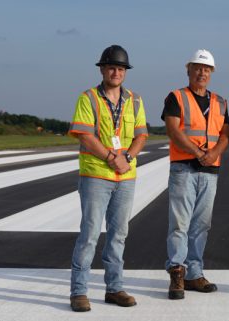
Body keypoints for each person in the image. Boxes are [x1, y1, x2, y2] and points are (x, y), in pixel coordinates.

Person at [66, 44, 148, 312]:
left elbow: (141, 135)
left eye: (121, 68)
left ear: (125, 72)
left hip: (126, 177)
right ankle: (79, 291)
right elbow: (86, 136)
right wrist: (114, 158)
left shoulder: (135, 100)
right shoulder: (88, 98)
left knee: (119, 234)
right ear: (102, 69)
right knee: (89, 233)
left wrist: (129, 158)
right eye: (111, 67)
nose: (116, 72)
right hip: (96, 174)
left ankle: (114, 288)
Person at [163, 49, 229, 300]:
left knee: (202, 224)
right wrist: (197, 152)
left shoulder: (220, 102)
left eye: (206, 69)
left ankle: (195, 273)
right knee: (179, 224)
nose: (202, 72)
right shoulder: (176, 97)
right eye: (197, 68)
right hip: (184, 168)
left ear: (211, 73)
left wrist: (213, 154)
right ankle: (177, 272)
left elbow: (226, 134)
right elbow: (173, 130)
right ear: (188, 69)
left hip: (210, 170)